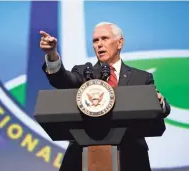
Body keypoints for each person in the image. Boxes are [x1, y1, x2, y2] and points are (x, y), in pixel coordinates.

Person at [39, 22, 171, 171]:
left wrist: (159, 102)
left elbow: (163, 108)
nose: (99, 44)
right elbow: (62, 80)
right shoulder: (83, 73)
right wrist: (52, 55)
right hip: (83, 157)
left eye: (105, 38)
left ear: (120, 42)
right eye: (95, 41)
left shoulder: (141, 77)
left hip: (131, 158)